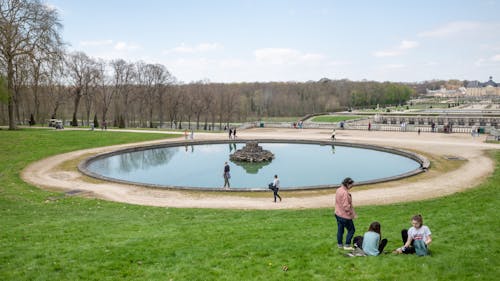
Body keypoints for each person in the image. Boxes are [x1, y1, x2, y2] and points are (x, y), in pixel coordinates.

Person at [334, 177, 357, 250]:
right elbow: (346, 207)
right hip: (344, 216)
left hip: (337, 214)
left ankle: (340, 244)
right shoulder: (345, 193)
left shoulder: (338, 189)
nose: (352, 187)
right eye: (351, 185)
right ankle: (347, 245)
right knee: (351, 230)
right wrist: (351, 214)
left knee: (340, 230)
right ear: (347, 184)